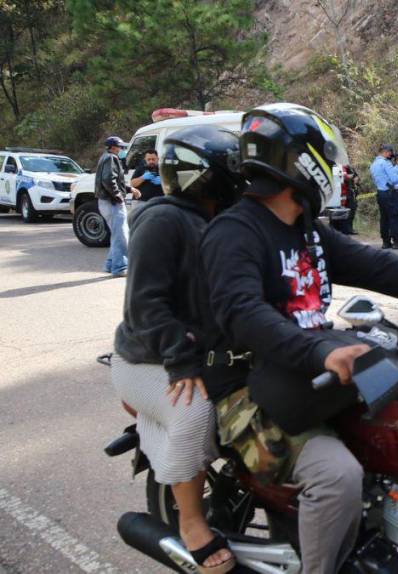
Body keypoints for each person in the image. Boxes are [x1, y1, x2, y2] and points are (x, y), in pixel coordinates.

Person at [201, 104, 398, 574]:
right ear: (302, 163)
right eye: (328, 161)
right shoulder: (235, 232)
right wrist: (321, 349)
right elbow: (243, 314)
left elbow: (378, 265)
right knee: (338, 476)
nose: (335, 171)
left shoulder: (304, 229)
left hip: (303, 376)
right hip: (247, 389)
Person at [112, 126, 245, 574]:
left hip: (197, 355)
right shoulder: (162, 218)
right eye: (231, 170)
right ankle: (191, 522)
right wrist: (180, 360)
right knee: (195, 411)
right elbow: (145, 304)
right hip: (146, 359)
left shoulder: (216, 219)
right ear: (201, 176)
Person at [95, 135, 138, 276]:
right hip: (111, 203)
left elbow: (114, 180)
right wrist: (118, 197)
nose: (121, 149)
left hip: (106, 202)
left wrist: (130, 189)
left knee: (116, 235)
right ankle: (119, 268)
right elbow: (109, 180)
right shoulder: (111, 158)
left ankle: (109, 265)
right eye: (119, 146)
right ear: (114, 147)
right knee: (121, 236)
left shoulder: (105, 157)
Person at [369, 144, 398, 249]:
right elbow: (394, 179)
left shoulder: (373, 164)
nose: (391, 155)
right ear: (385, 152)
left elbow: (375, 180)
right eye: (390, 153)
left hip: (380, 193)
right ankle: (397, 242)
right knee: (394, 217)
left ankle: (386, 242)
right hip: (389, 193)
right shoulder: (386, 163)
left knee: (384, 218)